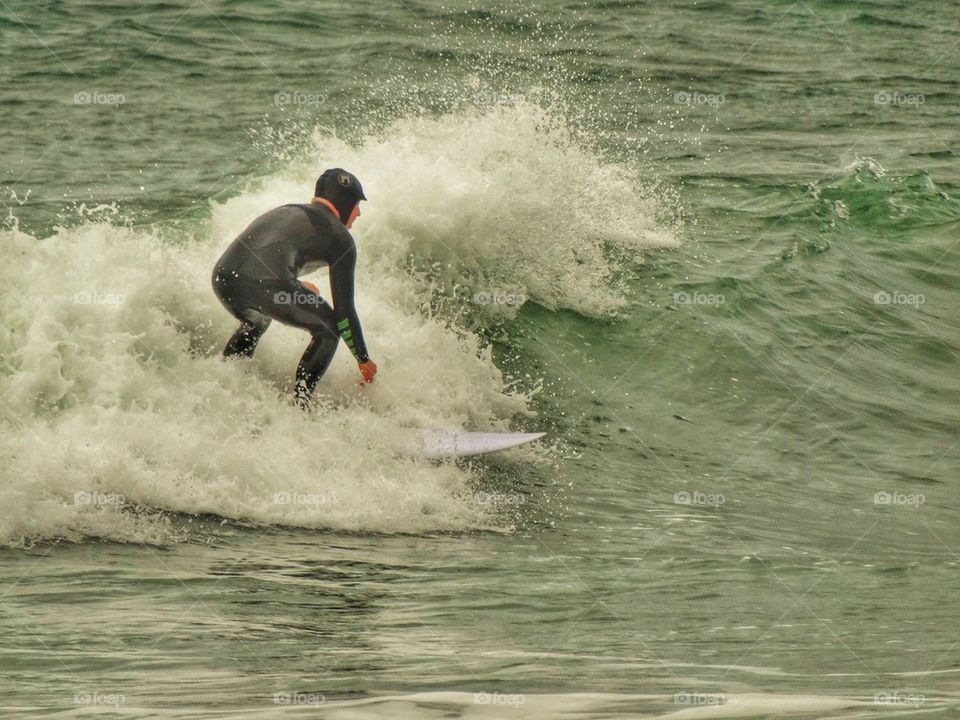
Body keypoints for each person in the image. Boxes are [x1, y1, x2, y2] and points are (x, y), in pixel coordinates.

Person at [211, 168, 377, 408]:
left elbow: (264, 256)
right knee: (329, 329)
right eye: (357, 204)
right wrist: (363, 359)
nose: (359, 213)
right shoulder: (340, 238)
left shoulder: (287, 210)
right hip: (268, 286)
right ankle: (300, 407)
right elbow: (344, 312)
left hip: (224, 279)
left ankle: (225, 386)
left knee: (258, 319)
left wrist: (292, 287)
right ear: (345, 202)